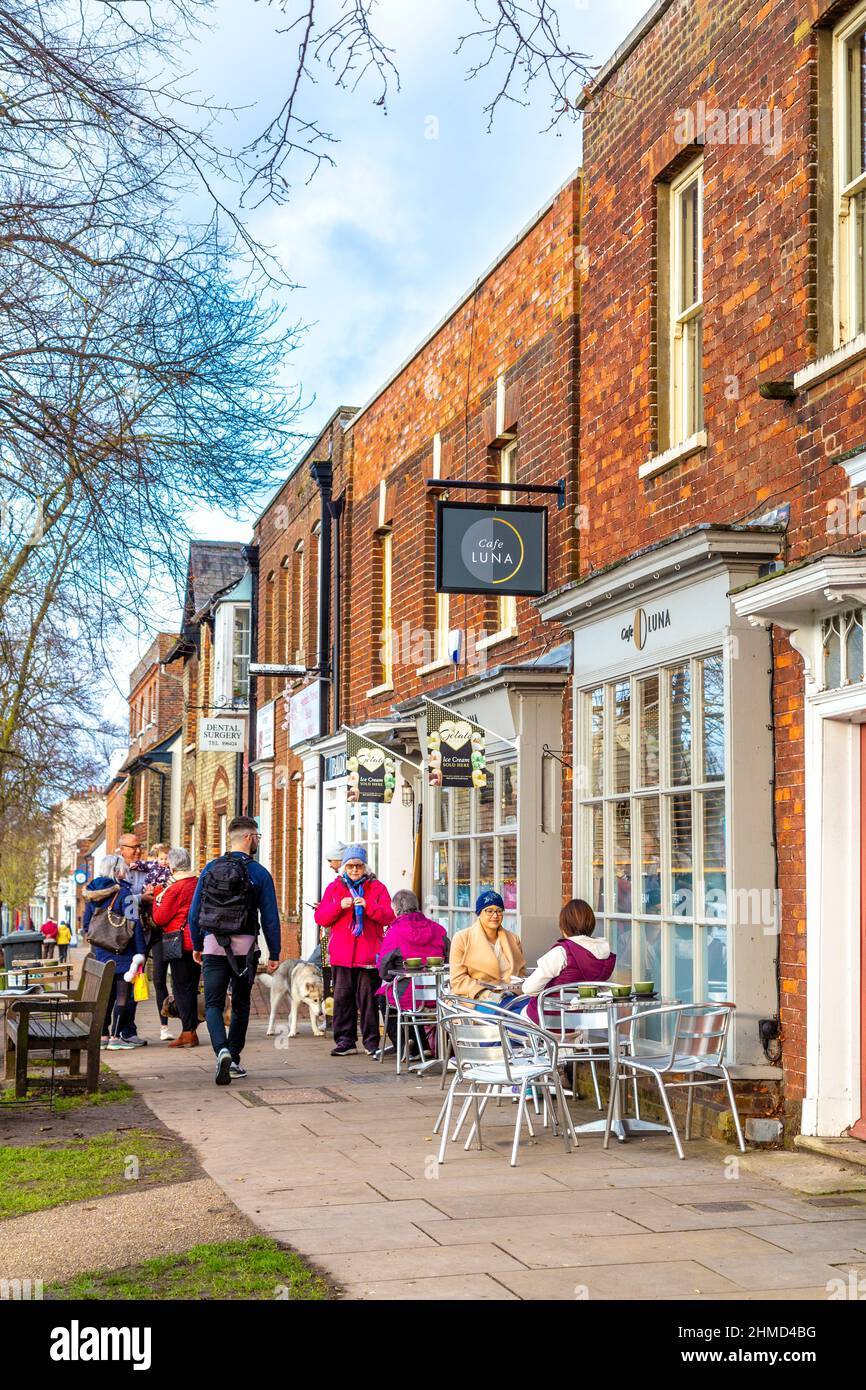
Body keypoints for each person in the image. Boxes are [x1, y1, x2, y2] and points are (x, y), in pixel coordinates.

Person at [189, 815, 281, 1085]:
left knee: (214, 1003)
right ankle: (235, 1059)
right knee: (241, 1003)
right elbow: (270, 917)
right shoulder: (259, 873)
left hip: (213, 944)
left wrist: (197, 944)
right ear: (250, 838)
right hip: (244, 949)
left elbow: (195, 913)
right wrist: (273, 952)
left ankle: (222, 1051)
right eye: (258, 837)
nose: (257, 842)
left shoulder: (210, 869)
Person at [314, 844, 394, 1058]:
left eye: (358, 866)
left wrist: (370, 907)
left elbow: (388, 917)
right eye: (350, 866)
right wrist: (339, 905)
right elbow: (321, 918)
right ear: (344, 867)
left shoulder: (377, 888)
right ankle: (345, 1041)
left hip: (368, 956)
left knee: (368, 1001)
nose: (354, 870)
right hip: (342, 955)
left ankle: (371, 1042)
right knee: (342, 1000)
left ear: (365, 867)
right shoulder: (335, 888)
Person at [82, 855, 148, 1050]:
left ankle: (102, 1036)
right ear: (117, 870)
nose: (125, 872)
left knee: (105, 996)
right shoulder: (125, 893)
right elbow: (134, 925)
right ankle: (115, 1036)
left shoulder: (92, 893)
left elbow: (86, 924)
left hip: (100, 952)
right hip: (123, 953)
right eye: (123, 869)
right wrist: (141, 952)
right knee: (122, 995)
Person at [518, 899, 616, 1024]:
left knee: (501, 1017)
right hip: (579, 1024)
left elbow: (529, 989)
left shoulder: (562, 952)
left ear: (564, 926)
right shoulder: (603, 955)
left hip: (545, 1024)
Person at [376, 889, 449, 1056]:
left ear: (395, 910)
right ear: (417, 906)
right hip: (438, 992)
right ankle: (421, 1046)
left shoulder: (394, 932)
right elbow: (449, 957)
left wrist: (389, 976)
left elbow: (384, 969)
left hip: (408, 992)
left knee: (385, 997)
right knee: (410, 999)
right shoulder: (438, 929)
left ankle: (403, 1045)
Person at [151, 847, 200, 1047]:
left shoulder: (173, 888)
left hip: (177, 942)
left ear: (172, 866)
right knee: (192, 987)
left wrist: (155, 896)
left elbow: (159, 917)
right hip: (197, 942)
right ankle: (192, 1031)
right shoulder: (197, 883)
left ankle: (187, 1032)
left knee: (180, 988)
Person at [449, 890, 526, 1003]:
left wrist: (512, 991)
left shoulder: (514, 939)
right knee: (516, 1016)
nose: (495, 915)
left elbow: (521, 974)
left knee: (533, 1013)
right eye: (489, 911)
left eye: (499, 911)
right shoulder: (462, 939)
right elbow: (458, 979)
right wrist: (485, 994)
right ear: (479, 913)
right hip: (475, 999)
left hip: (511, 996)